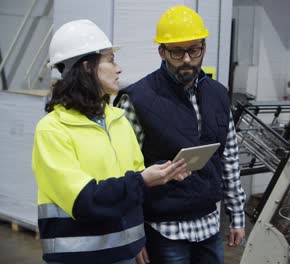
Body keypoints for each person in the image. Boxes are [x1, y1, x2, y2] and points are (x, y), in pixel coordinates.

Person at [32, 19, 191, 264]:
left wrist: (162, 172)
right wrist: (142, 180)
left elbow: (134, 180)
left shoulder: (117, 120)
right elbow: (85, 200)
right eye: (110, 60)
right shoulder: (53, 129)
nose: (119, 69)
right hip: (78, 257)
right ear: (86, 67)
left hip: (125, 252)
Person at [114, 5, 246, 264]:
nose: (187, 59)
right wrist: (131, 231)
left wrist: (237, 215)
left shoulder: (218, 95)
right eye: (177, 51)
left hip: (209, 225)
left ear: (203, 49)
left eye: (194, 50)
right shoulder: (137, 98)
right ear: (162, 51)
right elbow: (122, 171)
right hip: (163, 230)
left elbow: (229, 158)